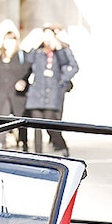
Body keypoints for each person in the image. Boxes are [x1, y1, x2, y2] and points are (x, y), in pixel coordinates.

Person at [25, 24, 78, 155]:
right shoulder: (38, 51)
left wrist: (62, 80)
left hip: (53, 92)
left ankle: (61, 146)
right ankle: (37, 153)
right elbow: (28, 60)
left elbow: (70, 64)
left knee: (51, 122)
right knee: (36, 123)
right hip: (37, 91)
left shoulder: (60, 51)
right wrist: (37, 43)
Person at [0, 30, 32, 150]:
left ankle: (23, 142)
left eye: (12, 41)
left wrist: (23, 81)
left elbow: (28, 70)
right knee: (1, 118)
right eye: (7, 40)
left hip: (17, 94)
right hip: (1, 92)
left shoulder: (22, 55)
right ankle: (0, 142)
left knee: (21, 119)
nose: (9, 43)